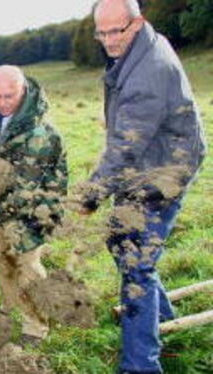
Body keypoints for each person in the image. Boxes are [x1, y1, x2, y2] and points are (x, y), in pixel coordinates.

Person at [77, 1, 206, 373]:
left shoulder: (149, 72)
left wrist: (90, 195)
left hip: (165, 171)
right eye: (100, 33)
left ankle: (141, 365)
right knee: (120, 240)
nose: (107, 41)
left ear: (138, 23)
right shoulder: (140, 45)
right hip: (148, 161)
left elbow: (125, 147)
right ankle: (160, 315)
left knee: (136, 265)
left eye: (116, 31)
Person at [0, 65, 68, 345]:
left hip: (35, 207)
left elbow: (26, 189)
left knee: (27, 265)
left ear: (23, 90)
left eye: (9, 96)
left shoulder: (39, 133)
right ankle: (10, 308)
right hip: (0, 203)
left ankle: (35, 326)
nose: (2, 102)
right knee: (5, 260)